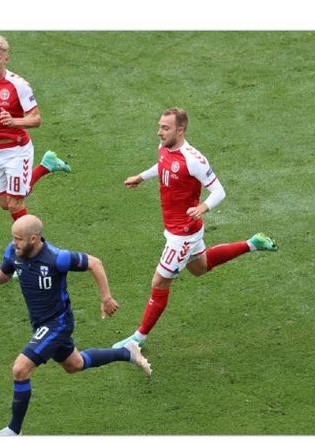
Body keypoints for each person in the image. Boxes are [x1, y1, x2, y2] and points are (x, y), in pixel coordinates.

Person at [112, 107, 278, 349]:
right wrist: (141, 176)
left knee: (159, 282)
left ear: (180, 131)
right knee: (200, 268)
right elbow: (162, 166)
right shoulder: (165, 148)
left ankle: (138, 339)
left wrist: (203, 207)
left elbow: (219, 191)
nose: (159, 132)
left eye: (165, 128)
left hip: (183, 234)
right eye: (159, 126)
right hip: (175, 228)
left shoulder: (193, 160)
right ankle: (253, 243)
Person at [0, 215, 152, 436]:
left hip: (57, 324)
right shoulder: (15, 251)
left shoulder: (56, 258)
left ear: (34, 239)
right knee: (75, 365)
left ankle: (14, 431)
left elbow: (94, 263)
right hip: (40, 324)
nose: (14, 243)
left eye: (18, 239)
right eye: (13, 238)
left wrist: (106, 298)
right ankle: (127, 353)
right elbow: (6, 272)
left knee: (20, 369)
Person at [0, 34, 71, 222]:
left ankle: (32, 247)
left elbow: (36, 119)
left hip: (17, 151)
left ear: (6, 59)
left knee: (15, 203)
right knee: (4, 203)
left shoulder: (18, 85)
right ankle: (46, 165)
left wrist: (15, 122)